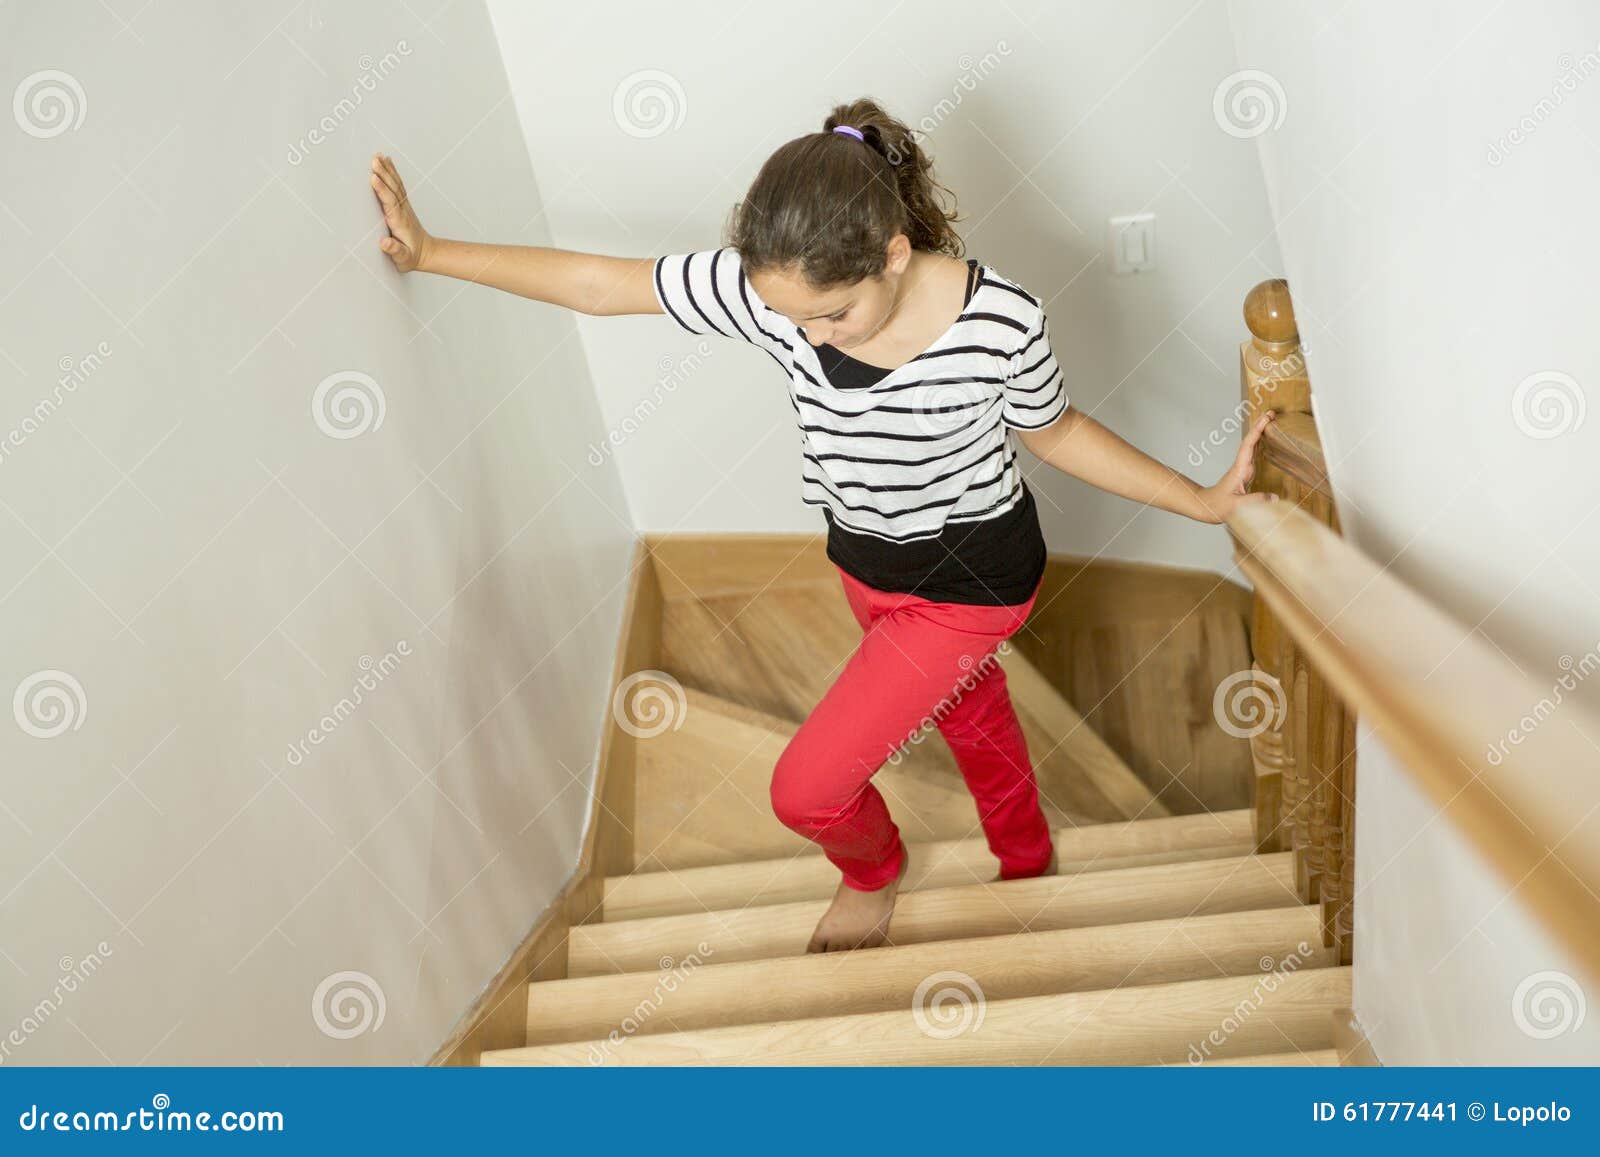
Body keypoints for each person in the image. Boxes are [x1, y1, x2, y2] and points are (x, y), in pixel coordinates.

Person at [368, 96, 1276, 956]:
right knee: (967, 703)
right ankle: (1026, 852)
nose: (812, 336)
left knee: (805, 789)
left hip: (973, 579)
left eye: (831, 314)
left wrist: (1202, 499)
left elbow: (1059, 430)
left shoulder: (1000, 321)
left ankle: (877, 869)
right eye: (790, 317)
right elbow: (602, 285)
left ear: (890, 253)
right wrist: (431, 251)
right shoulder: (779, 298)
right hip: (861, 560)